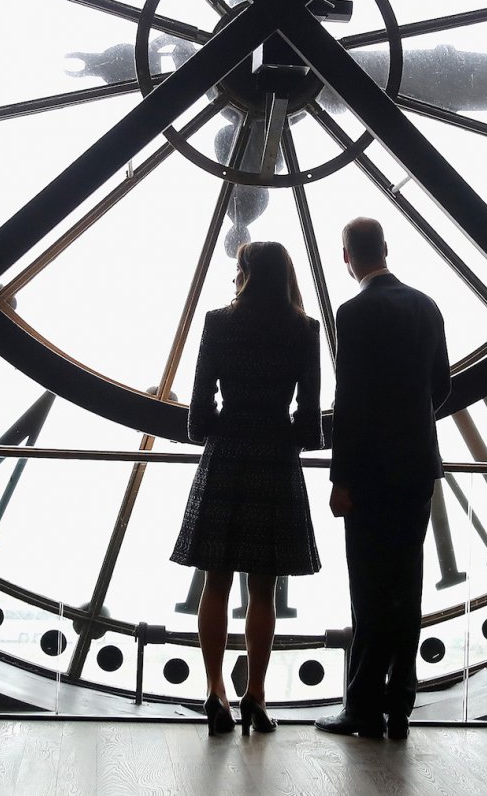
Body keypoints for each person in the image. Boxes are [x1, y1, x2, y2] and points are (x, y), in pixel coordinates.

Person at [171, 241, 323, 736]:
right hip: (275, 457)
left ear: (244, 273)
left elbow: (198, 410)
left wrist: (216, 428)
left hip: (227, 454)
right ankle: (255, 695)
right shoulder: (305, 331)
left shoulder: (218, 323)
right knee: (264, 588)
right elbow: (310, 421)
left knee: (215, 581)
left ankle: (214, 690)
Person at [315, 217, 449, 741]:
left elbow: (349, 403)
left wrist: (341, 477)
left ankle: (363, 706)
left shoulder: (353, 314)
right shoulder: (426, 306)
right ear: (386, 249)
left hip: (370, 472)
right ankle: (399, 703)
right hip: (417, 465)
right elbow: (440, 387)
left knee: (369, 589)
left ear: (346, 256)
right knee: (404, 584)